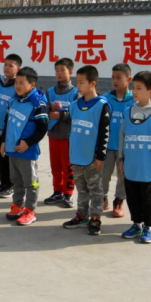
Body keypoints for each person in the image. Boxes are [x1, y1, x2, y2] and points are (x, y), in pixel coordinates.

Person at [118, 71, 151, 244]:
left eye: (139, 88)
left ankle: (148, 227)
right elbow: (122, 137)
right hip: (130, 164)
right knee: (132, 196)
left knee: (147, 199)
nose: (135, 91)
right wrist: (121, 159)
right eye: (134, 87)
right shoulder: (127, 112)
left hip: (148, 166)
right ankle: (136, 224)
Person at [62, 65, 110, 236]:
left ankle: (95, 218)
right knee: (81, 189)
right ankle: (82, 215)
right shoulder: (75, 105)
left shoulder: (102, 105)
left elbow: (105, 133)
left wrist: (100, 156)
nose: (78, 85)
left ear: (93, 84)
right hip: (76, 157)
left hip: (92, 158)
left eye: (81, 82)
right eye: (77, 82)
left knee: (95, 189)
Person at [1, 67, 48, 226]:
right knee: (16, 180)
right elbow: (7, 122)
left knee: (31, 182)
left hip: (27, 151)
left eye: (22, 83)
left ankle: (30, 210)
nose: (18, 86)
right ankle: (18, 206)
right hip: (12, 150)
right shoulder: (14, 100)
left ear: (32, 84)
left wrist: (28, 142)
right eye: (16, 83)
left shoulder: (38, 104)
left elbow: (42, 128)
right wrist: (3, 142)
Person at [44, 58, 79, 208]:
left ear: (70, 72)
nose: (59, 73)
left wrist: (61, 115)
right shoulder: (50, 91)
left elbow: (78, 113)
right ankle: (57, 191)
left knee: (68, 166)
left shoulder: (76, 92)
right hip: (53, 135)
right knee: (55, 166)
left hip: (68, 136)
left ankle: (68, 193)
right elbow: (42, 109)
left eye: (62, 70)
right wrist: (51, 107)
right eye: (57, 70)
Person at [102, 63, 134, 217]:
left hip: (125, 149)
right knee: (103, 175)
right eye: (113, 77)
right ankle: (102, 198)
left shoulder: (134, 100)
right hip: (107, 146)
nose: (115, 81)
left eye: (119, 78)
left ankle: (119, 201)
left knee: (122, 177)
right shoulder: (105, 99)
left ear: (129, 79)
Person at [0, 54, 22, 198]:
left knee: (9, 158)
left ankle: (11, 185)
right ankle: (3, 183)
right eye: (6, 64)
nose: (7, 68)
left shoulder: (18, 86)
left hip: (9, 129)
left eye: (11, 65)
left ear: (18, 69)